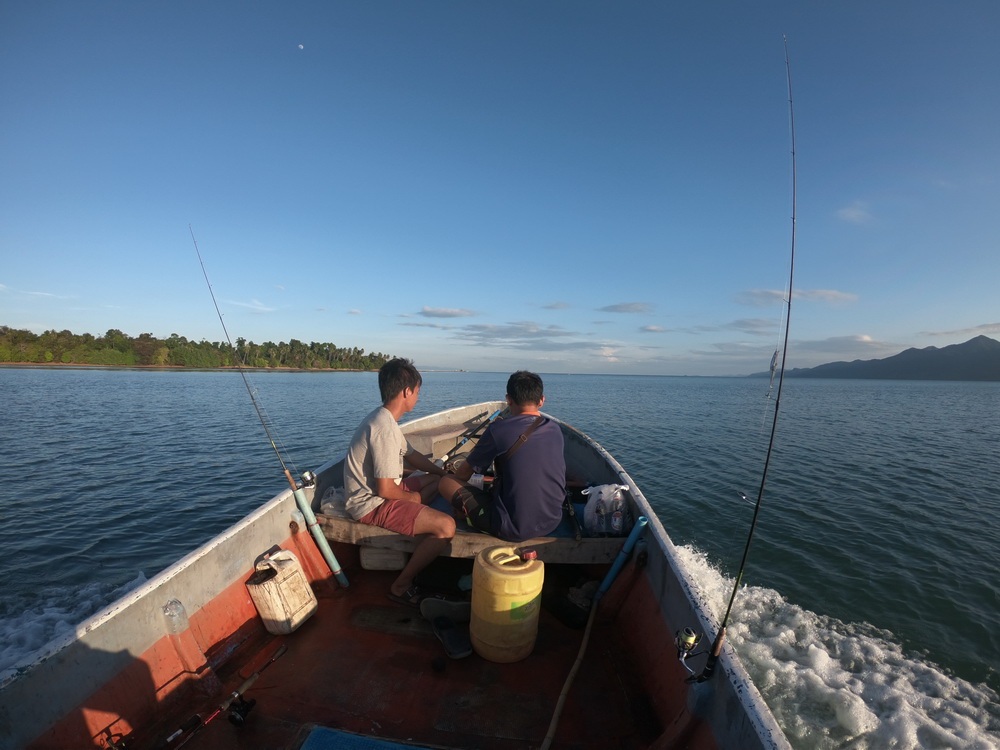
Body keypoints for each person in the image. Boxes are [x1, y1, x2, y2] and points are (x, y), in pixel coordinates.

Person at [344, 358, 455, 606]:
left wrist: (440, 473)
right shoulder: (383, 428)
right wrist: (413, 499)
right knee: (446, 526)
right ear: (407, 392)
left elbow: (412, 455)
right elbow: (386, 490)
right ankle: (400, 585)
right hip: (369, 504)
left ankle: (420, 511)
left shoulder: (386, 420)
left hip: (382, 493)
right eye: (417, 391)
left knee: (435, 482)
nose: (418, 396)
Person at [439, 371, 565, 542]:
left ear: (509, 399)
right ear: (542, 400)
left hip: (512, 528)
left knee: (446, 483)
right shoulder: (555, 429)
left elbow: (463, 475)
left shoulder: (498, 430)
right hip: (552, 520)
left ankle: (467, 515)